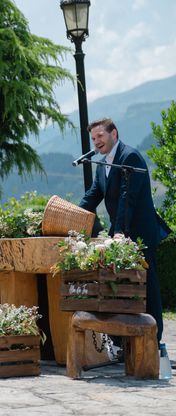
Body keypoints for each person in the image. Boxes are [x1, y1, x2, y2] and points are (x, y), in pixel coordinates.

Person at [79, 118, 171, 342]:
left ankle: (154, 340)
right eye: (93, 139)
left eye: (100, 136)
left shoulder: (129, 157)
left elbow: (126, 198)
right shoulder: (102, 165)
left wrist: (118, 232)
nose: (96, 142)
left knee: (147, 284)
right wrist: (74, 214)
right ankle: (122, 340)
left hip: (140, 234)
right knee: (119, 286)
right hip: (120, 233)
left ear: (114, 134)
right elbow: (92, 196)